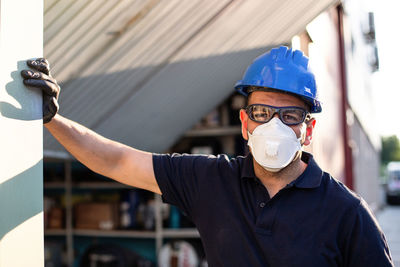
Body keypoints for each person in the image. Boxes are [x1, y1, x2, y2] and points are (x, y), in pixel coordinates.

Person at [21, 46, 394, 266]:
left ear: (307, 130)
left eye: (290, 116)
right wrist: (53, 120)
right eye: (262, 113)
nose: (274, 126)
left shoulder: (347, 214)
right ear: (245, 123)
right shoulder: (210, 181)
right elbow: (117, 161)